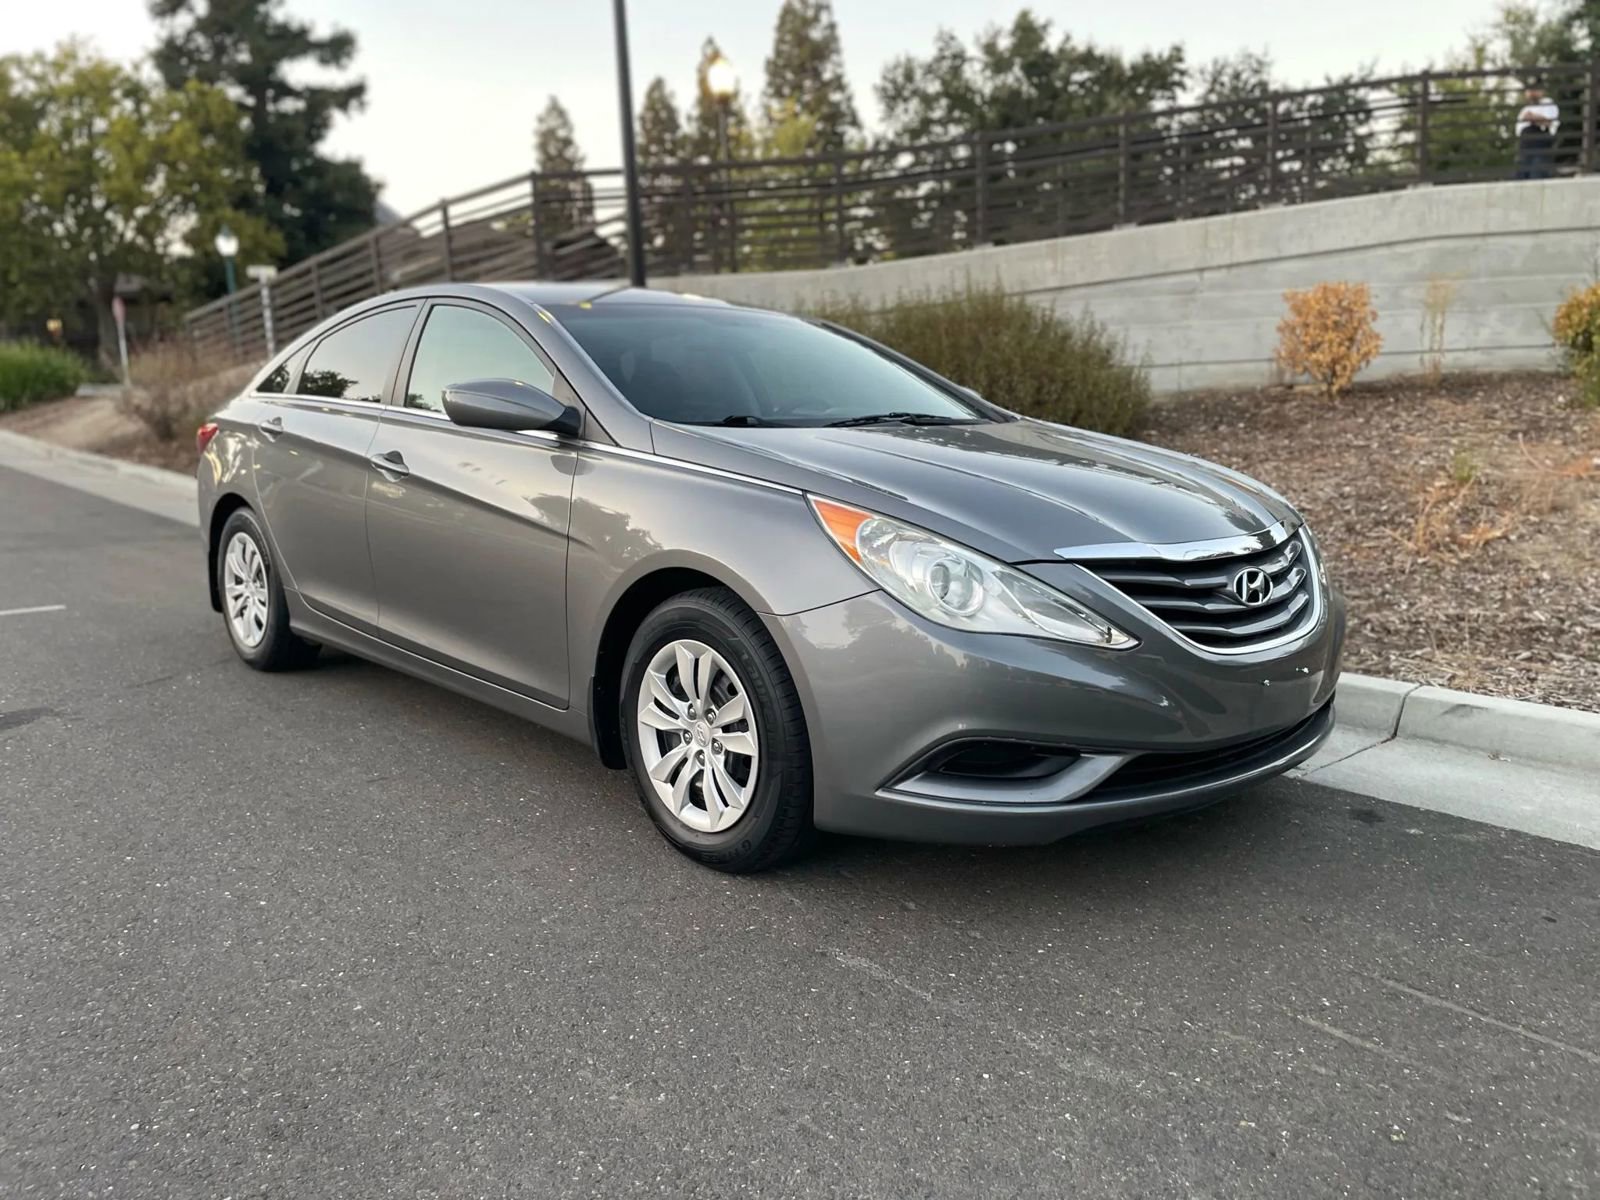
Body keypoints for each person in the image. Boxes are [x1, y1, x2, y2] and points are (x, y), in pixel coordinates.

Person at [1515, 86, 1560, 179]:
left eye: (1534, 89)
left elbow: (1548, 122)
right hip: (1525, 148)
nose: (1531, 92)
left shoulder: (1548, 103)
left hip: (1540, 145)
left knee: (1537, 175)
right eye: (1529, 90)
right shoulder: (1524, 109)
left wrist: (1532, 117)